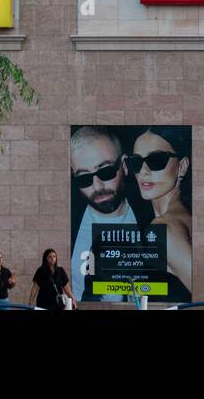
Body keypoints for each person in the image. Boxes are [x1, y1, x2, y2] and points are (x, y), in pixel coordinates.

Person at [69, 126, 140, 302]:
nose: (98, 187)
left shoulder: (152, 215)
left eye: (106, 171)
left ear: (124, 165)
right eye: (84, 178)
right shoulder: (68, 223)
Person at [127, 126, 192, 300]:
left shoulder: (164, 228)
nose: (143, 171)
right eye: (136, 162)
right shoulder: (181, 218)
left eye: (156, 160)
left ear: (182, 166)